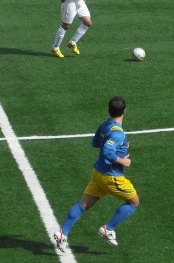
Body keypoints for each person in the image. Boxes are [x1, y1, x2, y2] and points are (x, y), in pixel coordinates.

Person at [53, 96, 139, 252]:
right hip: (111, 176)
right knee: (134, 202)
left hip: (98, 174)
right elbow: (107, 151)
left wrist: (120, 147)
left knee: (83, 205)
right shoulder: (118, 133)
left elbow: (96, 143)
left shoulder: (105, 125)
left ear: (108, 110)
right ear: (125, 111)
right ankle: (108, 229)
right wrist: (123, 161)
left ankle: (62, 233)